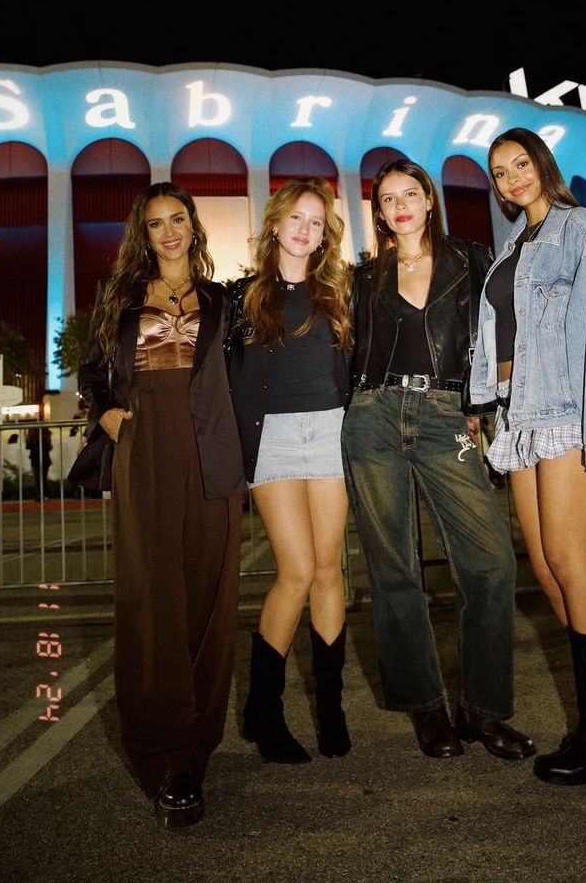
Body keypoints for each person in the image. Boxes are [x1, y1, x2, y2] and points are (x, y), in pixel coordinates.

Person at [468, 127, 586, 786]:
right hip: (517, 416)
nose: (511, 178)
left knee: (572, 561)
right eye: (498, 172)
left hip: (567, 412)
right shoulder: (508, 251)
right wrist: (482, 403)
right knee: (548, 571)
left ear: (542, 165)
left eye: (520, 164)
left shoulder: (581, 230)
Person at [340, 158, 535, 762]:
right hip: (372, 414)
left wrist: (488, 398)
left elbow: (511, 327)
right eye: (387, 198)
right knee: (394, 567)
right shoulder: (361, 277)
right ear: (379, 212)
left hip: (447, 414)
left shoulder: (473, 261)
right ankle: (425, 707)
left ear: (429, 200)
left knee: (490, 563)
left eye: (410, 193)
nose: (399, 205)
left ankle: (483, 709)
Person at [72, 182, 245, 829]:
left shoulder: (223, 301)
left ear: (194, 228)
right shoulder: (118, 299)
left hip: (210, 449)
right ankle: (163, 753)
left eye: (177, 220)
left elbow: (248, 373)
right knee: (152, 596)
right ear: (140, 235)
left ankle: (198, 742)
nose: (167, 232)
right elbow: (93, 369)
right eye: (154, 224)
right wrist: (110, 412)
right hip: (145, 445)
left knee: (208, 593)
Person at [228, 177, 352, 763]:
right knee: (297, 571)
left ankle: (331, 708)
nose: (306, 229)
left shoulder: (339, 293)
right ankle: (264, 710)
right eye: (296, 218)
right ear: (274, 224)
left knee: (329, 571)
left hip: (330, 431)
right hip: (273, 439)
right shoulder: (243, 297)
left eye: (317, 221)